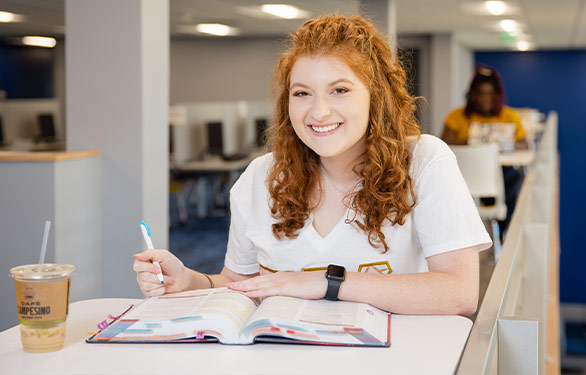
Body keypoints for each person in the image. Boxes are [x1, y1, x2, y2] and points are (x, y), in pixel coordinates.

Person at [134, 14, 491, 316]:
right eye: (302, 93)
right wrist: (188, 281)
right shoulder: (261, 177)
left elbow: (459, 293)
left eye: (340, 90)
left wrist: (326, 282)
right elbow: (239, 284)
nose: (318, 112)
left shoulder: (424, 162)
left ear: (376, 97)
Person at [442, 65, 527, 238]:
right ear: (472, 94)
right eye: (480, 93)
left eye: (489, 93)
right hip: (462, 179)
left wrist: (499, 143)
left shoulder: (509, 116)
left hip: (498, 178)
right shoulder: (457, 116)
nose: (484, 98)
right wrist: (475, 142)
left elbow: (524, 144)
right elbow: (444, 142)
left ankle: (503, 230)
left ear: (497, 95)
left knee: (512, 177)